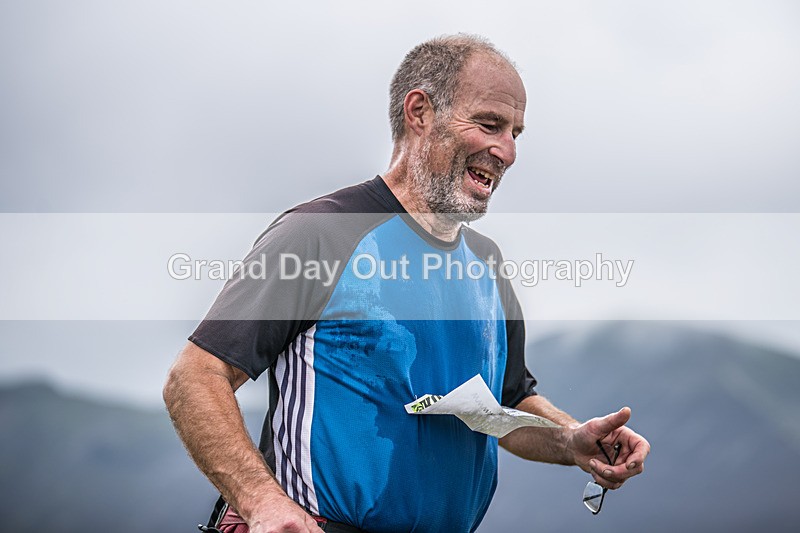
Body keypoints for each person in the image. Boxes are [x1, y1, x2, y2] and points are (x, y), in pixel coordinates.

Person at [163, 34, 650, 533]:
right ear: (419, 112)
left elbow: (508, 405)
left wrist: (571, 439)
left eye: (516, 134)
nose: (506, 151)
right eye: (489, 124)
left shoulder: (486, 264)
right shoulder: (321, 234)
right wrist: (261, 501)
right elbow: (195, 378)